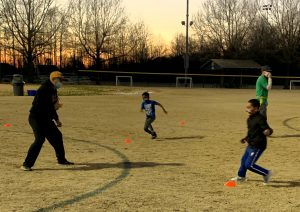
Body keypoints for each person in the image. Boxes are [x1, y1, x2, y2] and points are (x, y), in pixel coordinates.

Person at [21, 71, 73, 171]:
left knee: (57, 136)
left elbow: (51, 106)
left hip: (46, 118)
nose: (61, 82)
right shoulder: (44, 89)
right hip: (36, 118)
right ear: (54, 79)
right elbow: (49, 108)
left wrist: (56, 106)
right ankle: (26, 164)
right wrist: (57, 119)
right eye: (60, 80)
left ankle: (61, 160)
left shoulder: (52, 88)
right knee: (40, 139)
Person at [231, 99, 273, 185]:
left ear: (256, 108)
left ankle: (266, 173)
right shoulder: (250, 119)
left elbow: (268, 129)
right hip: (251, 144)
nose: (247, 109)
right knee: (243, 161)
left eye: (249, 107)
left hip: (258, 145)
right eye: (247, 107)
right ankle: (241, 177)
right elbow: (252, 131)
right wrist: (246, 138)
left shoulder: (260, 118)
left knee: (249, 165)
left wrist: (268, 131)